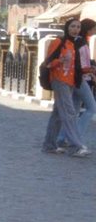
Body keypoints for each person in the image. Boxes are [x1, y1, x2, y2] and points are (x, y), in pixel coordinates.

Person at [42, 17, 92, 156]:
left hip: (70, 82)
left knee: (58, 114)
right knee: (69, 112)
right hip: (59, 81)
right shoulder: (59, 42)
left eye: (78, 27)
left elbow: (76, 66)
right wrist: (60, 61)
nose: (75, 29)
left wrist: (89, 70)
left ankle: (49, 145)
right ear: (67, 28)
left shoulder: (73, 44)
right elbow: (48, 63)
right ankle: (76, 146)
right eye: (73, 26)